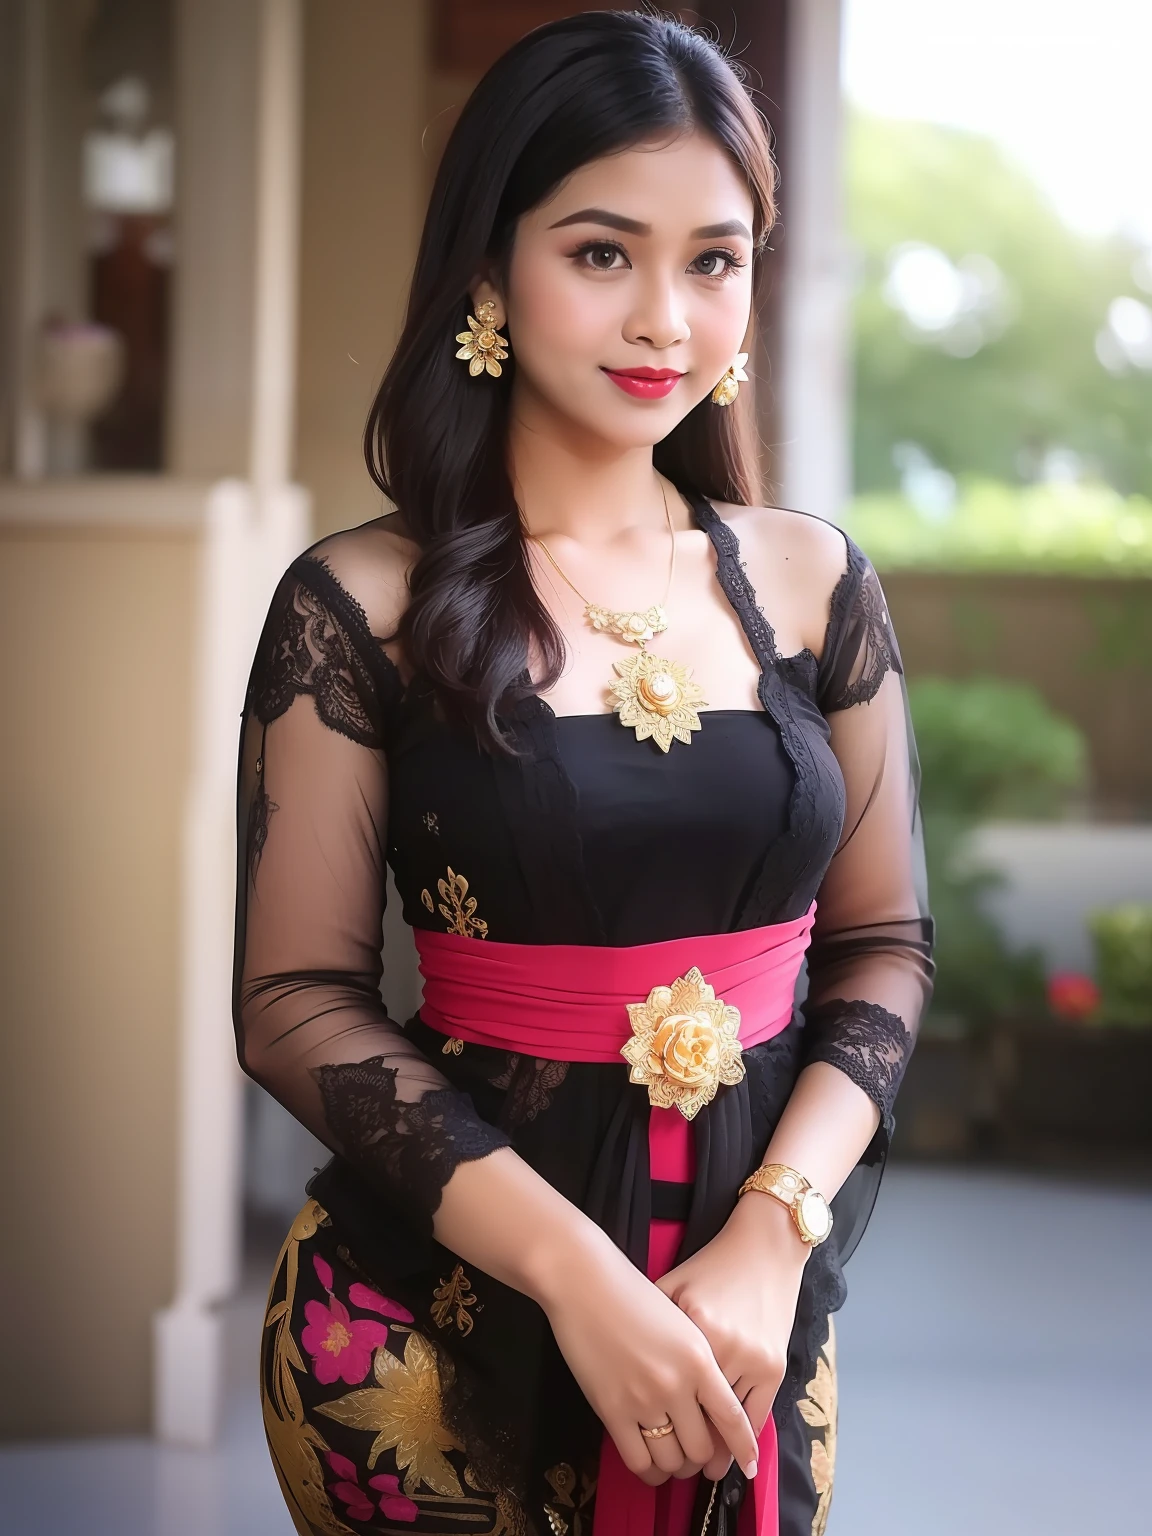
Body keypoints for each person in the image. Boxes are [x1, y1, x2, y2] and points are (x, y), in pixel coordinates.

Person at [232, 13, 934, 1536]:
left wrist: (776, 1230)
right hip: (426, 1335)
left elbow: (886, 946)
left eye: (715, 259)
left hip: (740, 1327)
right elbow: (293, 1003)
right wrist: (572, 1275)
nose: (665, 318)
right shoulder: (358, 608)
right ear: (490, 266)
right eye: (603, 253)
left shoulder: (816, 584)